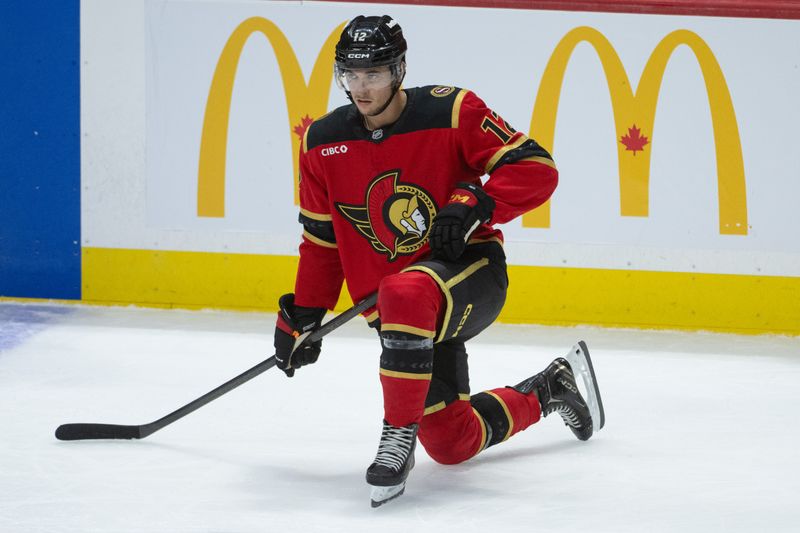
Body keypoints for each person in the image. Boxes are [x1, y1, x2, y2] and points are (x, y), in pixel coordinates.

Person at [273, 15, 605, 507]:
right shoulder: (322, 142)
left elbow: (537, 169)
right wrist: (303, 313)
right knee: (452, 444)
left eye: (375, 75)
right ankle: (548, 389)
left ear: (399, 70)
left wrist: (477, 203)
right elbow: (322, 242)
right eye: (351, 76)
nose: (361, 89)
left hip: (470, 276)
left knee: (404, 290)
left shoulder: (453, 111)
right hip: (404, 316)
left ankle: (395, 438)